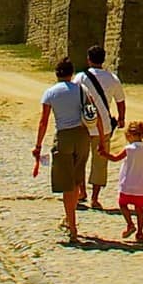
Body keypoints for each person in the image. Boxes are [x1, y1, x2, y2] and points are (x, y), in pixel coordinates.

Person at [33, 57, 91, 242]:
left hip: (64, 136)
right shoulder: (82, 89)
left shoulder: (50, 93)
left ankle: (72, 227)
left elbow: (44, 122)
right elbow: (90, 111)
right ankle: (69, 218)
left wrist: (38, 145)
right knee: (75, 181)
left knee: (66, 183)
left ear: (56, 73)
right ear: (71, 73)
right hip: (82, 136)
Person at [75, 44, 126, 211]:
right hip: (103, 127)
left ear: (88, 59)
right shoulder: (112, 78)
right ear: (103, 59)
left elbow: (74, 97)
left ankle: (82, 192)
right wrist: (121, 119)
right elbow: (120, 101)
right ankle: (95, 198)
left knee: (80, 160)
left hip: (84, 125)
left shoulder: (81, 77)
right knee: (100, 163)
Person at [97, 121, 143, 243]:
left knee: (123, 204)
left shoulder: (129, 149)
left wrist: (104, 154)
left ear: (130, 135)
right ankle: (140, 232)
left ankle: (130, 224)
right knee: (139, 209)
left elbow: (115, 158)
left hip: (128, 182)